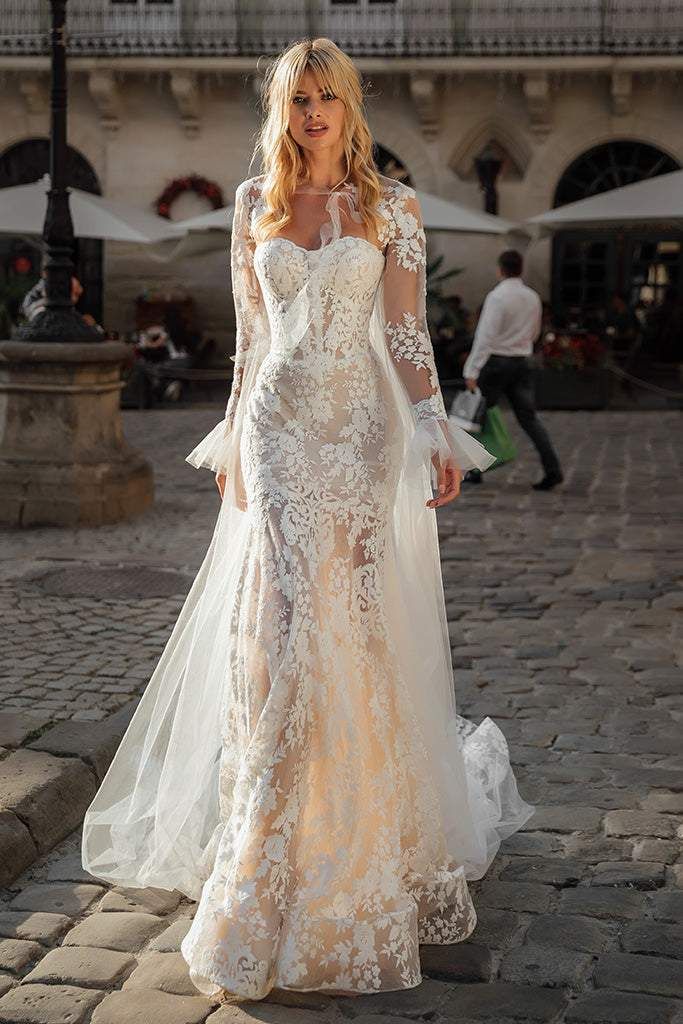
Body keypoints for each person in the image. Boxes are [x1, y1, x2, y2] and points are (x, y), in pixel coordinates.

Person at [81, 37, 533, 1001]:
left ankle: (357, 831)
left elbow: (408, 337)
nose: (314, 115)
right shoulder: (254, 205)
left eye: (327, 99)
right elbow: (250, 347)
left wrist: (432, 436)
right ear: (281, 111)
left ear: (351, 107)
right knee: (281, 625)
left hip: (364, 438)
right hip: (282, 431)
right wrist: (235, 444)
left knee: (355, 630)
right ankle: (261, 847)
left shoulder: (391, 206)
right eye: (299, 101)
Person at [463, 250, 563, 491]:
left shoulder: (497, 297)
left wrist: (471, 369)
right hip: (522, 362)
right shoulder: (532, 297)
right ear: (521, 268)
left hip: (497, 362)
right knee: (529, 419)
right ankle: (553, 469)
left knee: (476, 416)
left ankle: (474, 469)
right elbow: (535, 332)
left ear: (500, 269)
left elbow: (485, 336)